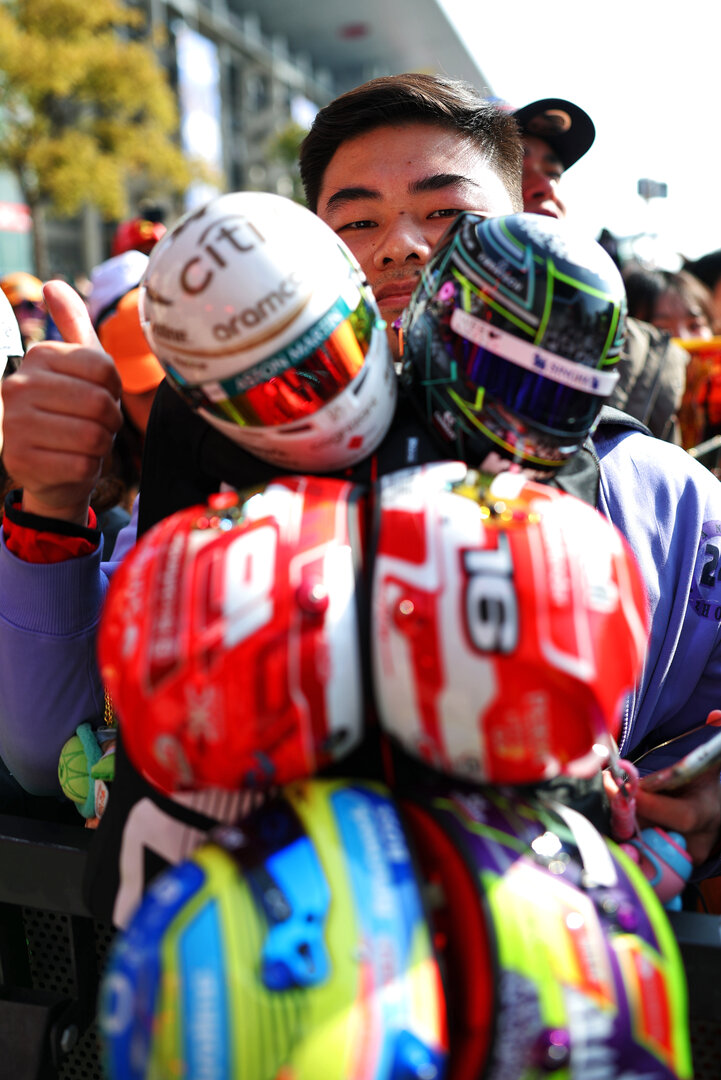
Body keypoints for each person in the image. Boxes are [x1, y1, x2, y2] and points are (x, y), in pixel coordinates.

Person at [0, 73, 720, 918]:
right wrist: (50, 503)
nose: (402, 246)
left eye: (448, 214)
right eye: (359, 222)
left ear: (531, 221)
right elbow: (51, 745)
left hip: (544, 1002)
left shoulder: (651, 486)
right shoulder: (216, 457)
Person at [512, 95, 690, 444]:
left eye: (554, 173)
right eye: (514, 168)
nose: (546, 186)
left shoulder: (645, 354)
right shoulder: (420, 326)